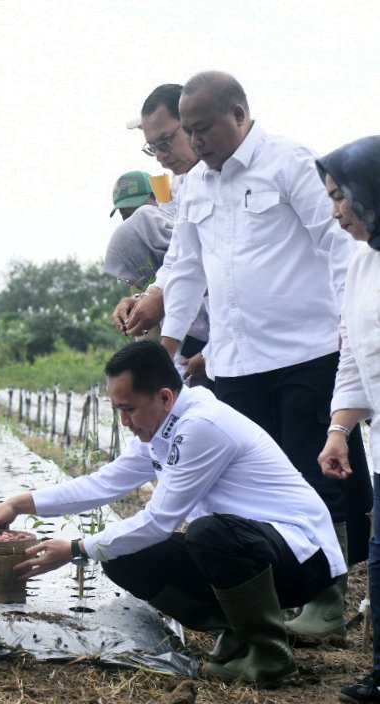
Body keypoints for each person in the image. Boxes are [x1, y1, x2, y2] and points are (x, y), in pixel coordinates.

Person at [0, 341, 342, 687]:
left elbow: (158, 521)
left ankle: (269, 656)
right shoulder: (160, 429)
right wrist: (21, 503)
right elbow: (102, 484)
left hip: (303, 559)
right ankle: (238, 629)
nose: (124, 421)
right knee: (123, 557)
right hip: (258, 550)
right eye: (118, 410)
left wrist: (76, 549)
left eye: (129, 409)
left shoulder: (202, 426)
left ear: (165, 397)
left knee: (209, 533)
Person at [152, 71, 368, 637]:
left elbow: (339, 243)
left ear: (240, 114)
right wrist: (169, 345)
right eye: (189, 131)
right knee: (250, 486)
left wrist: (351, 326)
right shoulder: (194, 186)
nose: (195, 142)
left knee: (316, 476)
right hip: (234, 363)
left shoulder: (289, 162)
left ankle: (327, 598)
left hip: (307, 352)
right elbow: (184, 269)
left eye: (203, 128)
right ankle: (267, 595)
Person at [314, 136, 380, 703]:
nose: (335, 210)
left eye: (341, 196)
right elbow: (354, 355)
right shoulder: (361, 263)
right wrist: (340, 429)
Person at [112, 83, 210, 384]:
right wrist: (150, 295)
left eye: (166, 142)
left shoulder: (254, 175)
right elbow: (180, 262)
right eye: (153, 148)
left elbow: (229, 274)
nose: (161, 157)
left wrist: (210, 354)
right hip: (198, 343)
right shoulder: (186, 186)